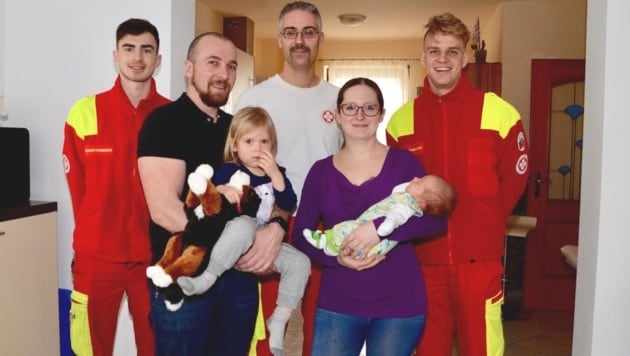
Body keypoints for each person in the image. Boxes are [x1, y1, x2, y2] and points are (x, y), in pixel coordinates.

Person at [386, 12, 530, 355]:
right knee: (427, 349)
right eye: (434, 50)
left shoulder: (501, 114)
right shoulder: (400, 121)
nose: (442, 59)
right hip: (423, 263)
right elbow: (394, 191)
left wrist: (485, 221)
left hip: (479, 264)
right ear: (422, 57)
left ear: (466, 57)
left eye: (452, 51)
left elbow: (515, 178)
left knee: (482, 348)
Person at [292, 77, 448, 355]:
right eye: (350, 108)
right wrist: (335, 258)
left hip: (399, 305)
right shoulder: (321, 172)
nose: (360, 115)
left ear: (381, 115)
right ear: (338, 116)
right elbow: (300, 235)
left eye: (369, 108)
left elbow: (437, 220)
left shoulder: (405, 164)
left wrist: (379, 229)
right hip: (338, 302)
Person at [137, 32, 265, 355]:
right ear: (189, 68)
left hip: (238, 281)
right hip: (183, 278)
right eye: (213, 63)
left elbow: (265, 194)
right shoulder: (163, 123)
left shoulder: (239, 130)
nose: (224, 74)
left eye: (232, 66)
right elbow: (165, 211)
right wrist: (228, 245)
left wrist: (275, 228)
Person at [233, 2, 342, 355]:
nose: (300, 40)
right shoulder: (256, 98)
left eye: (308, 32)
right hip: (271, 222)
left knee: (325, 326)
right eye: (291, 32)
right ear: (279, 39)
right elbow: (238, 170)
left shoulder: (337, 100)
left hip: (326, 226)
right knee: (265, 331)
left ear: (320, 39)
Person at [62, 18, 169, 356]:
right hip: (96, 260)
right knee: (89, 348)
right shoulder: (83, 113)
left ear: (158, 59)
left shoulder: (172, 116)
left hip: (155, 259)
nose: (137, 57)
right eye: (129, 48)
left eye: (146, 49)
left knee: (158, 347)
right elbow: (78, 190)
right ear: (115, 55)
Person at [177, 106, 311, 356]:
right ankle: (208, 277)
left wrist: (274, 174)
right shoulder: (230, 170)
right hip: (234, 238)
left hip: (264, 240)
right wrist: (223, 192)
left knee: (301, 263)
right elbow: (211, 205)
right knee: (244, 224)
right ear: (235, 145)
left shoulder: (276, 173)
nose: (258, 148)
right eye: (249, 141)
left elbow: (288, 202)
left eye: (264, 141)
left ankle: (280, 319)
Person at [303, 174, 455, 257]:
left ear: (421, 203)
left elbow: (397, 217)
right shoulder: (322, 170)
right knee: (351, 230)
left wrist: (377, 229)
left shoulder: (406, 204)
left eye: (419, 182)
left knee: (348, 228)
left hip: (377, 246)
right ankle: (332, 248)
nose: (415, 178)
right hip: (357, 258)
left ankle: (325, 240)